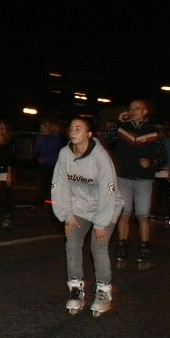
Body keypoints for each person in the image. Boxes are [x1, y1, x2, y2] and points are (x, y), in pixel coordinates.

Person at [51, 118, 123, 316]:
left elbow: (109, 191)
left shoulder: (101, 157)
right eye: (71, 128)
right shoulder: (65, 154)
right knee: (72, 239)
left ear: (89, 134)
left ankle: (103, 292)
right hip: (80, 206)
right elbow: (59, 186)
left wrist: (101, 223)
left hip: (106, 206)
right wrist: (67, 215)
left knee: (98, 245)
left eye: (79, 129)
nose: (73, 132)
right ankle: (76, 289)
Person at [103, 100, 166, 262]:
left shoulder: (153, 131)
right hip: (123, 177)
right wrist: (118, 121)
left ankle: (144, 246)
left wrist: (150, 162)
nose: (133, 111)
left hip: (143, 180)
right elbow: (108, 138)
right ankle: (122, 245)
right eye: (131, 108)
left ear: (145, 112)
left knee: (142, 215)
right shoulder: (123, 128)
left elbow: (162, 157)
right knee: (124, 213)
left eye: (137, 109)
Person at [34, 119, 62, 206]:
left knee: (47, 183)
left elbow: (60, 150)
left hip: (52, 163)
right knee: (46, 183)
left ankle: (46, 201)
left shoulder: (54, 138)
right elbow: (37, 150)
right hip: (48, 163)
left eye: (42, 127)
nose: (41, 128)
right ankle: (45, 201)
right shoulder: (51, 137)